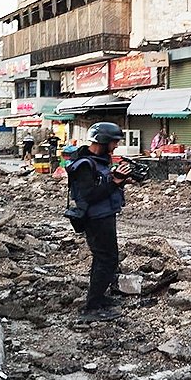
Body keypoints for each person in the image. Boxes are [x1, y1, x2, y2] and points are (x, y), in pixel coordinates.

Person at [68, 122, 132, 322]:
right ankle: (92, 307)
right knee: (106, 259)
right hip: (95, 219)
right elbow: (89, 196)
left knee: (104, 259)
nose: (115, 147)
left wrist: (116, 178)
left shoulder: (99, 161)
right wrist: (114, 183)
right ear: (103, 141)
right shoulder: (84, 165)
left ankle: (98, 298)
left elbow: (101, 185)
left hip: (105, 215)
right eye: (113, 142)